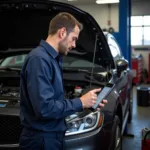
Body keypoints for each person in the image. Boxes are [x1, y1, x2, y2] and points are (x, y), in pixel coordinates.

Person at [19, 12, 108, 150]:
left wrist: (86, 103)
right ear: (62, 32)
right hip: (41, 141)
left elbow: (55, 100)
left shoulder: (52, 59)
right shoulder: (39, 60)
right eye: (73, 38)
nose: (74, 44)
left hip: (51, 137)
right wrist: (80, 102)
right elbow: (45, 108)